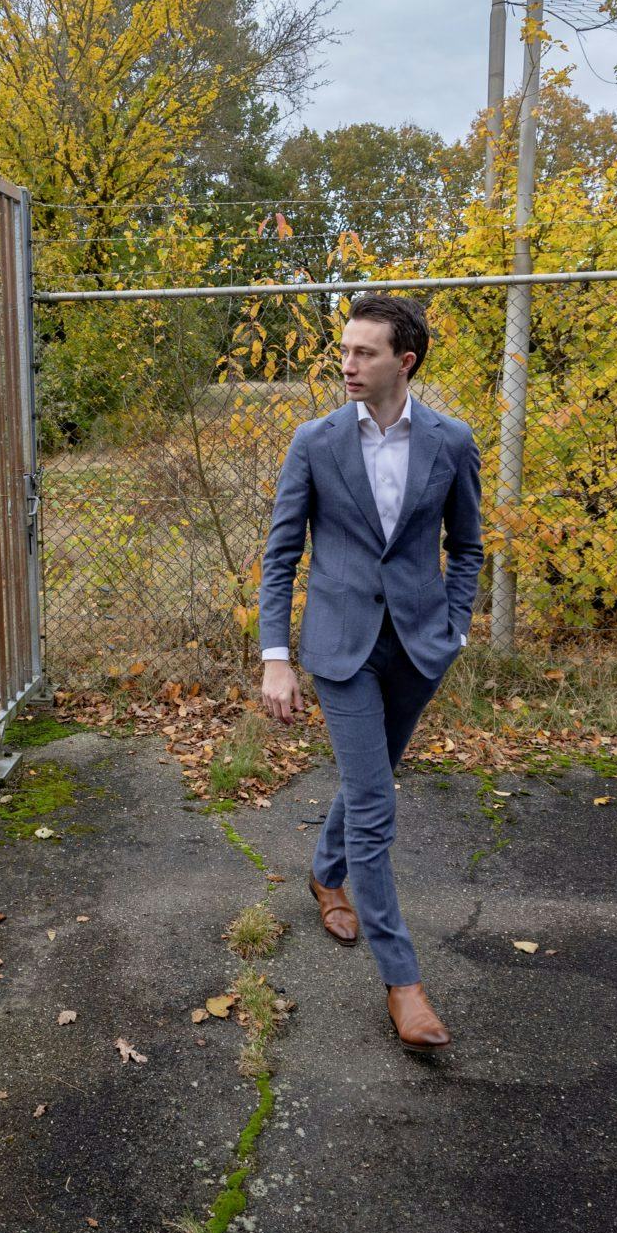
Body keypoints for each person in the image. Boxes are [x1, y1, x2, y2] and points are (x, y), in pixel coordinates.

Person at [256, 292, 483, 1057]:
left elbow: (469, 546)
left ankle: (326, 874)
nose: (347, 364)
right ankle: (404, 982)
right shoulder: (315, 442)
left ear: (404, 361)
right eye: (344, 350)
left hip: (419, 644)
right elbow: (282, 554)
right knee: (378, 808)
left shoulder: (451, 441)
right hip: (340, 647)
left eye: (364, 353)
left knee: (370, 778)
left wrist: (453, 626)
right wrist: (277, 656)